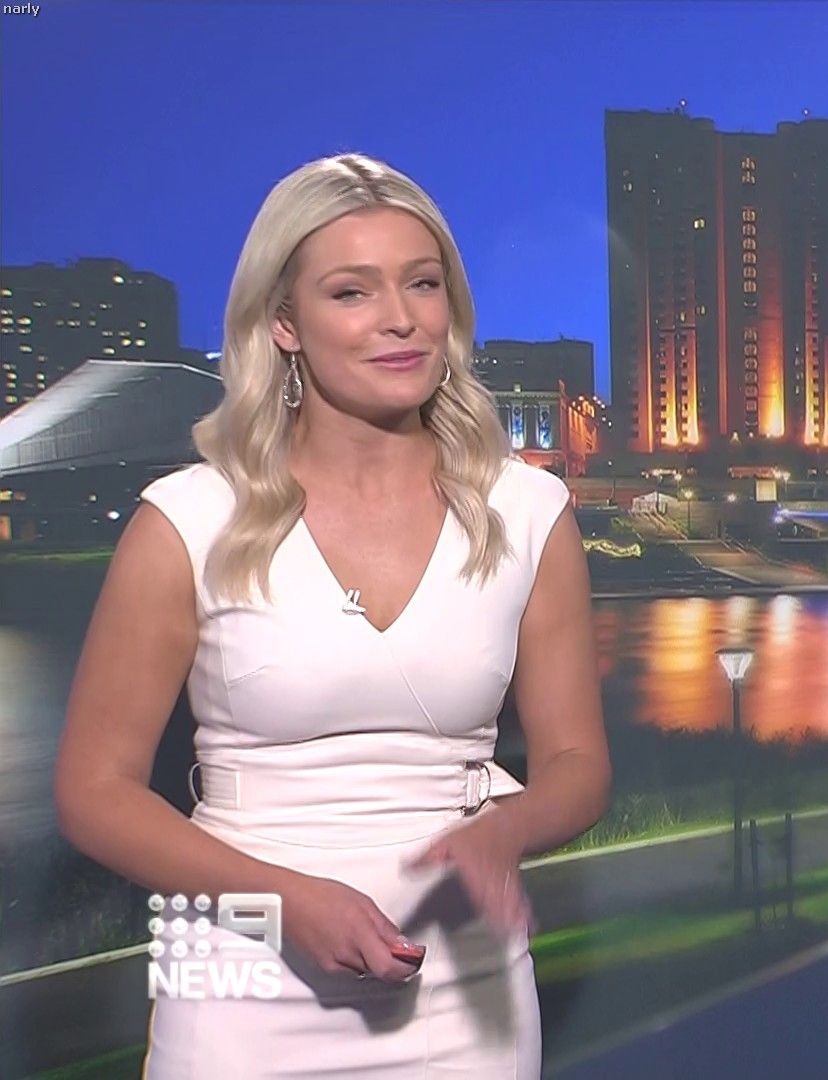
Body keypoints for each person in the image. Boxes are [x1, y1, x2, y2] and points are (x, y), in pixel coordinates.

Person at [51, 152, 611, 1077]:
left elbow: (578, 766)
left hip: (463, 987)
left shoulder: (527, 512)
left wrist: (504, 832)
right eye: (352, 292)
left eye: (422, 284)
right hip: (239, 979)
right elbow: (93, 792)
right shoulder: (188, 521)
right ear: (284, 323)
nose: (401, 318)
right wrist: (283, 901)